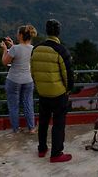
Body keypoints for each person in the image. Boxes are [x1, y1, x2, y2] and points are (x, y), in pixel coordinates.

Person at [31, 19, 74, 163]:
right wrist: (67, 90)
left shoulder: (36, 49)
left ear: (46, 31)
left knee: (43, 121)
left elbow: (33, 72)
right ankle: (56, 154)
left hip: (42, 93)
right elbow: (68, 75)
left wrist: (39, 87)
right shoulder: (61, 50)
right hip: (58, 93)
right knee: (58, 123)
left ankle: (42, 149)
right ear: (58, 32)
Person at [0, 25, 37, 134]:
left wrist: (5, 49)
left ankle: (16, 129)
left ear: (21, 35)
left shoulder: (15, 49)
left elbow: (5, 62)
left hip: (14, 80)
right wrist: (12, 46)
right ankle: (31, 128)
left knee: (13, 105)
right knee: (28, 104)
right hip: (28, 80)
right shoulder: (33, 48)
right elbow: (22, 53)